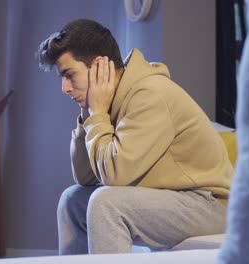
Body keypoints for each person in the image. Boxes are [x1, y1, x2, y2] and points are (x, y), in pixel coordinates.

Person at [36, 19, 233, 255]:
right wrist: (89, 114)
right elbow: (85, 177)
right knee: (73, 200)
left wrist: (97, 114)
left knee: (106, 203)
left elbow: (115, 176)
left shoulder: (149, 95)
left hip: (211, 206)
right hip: (173, 198)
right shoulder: (109, 101)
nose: (65, 88)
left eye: (69, 74)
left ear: (99, 66)